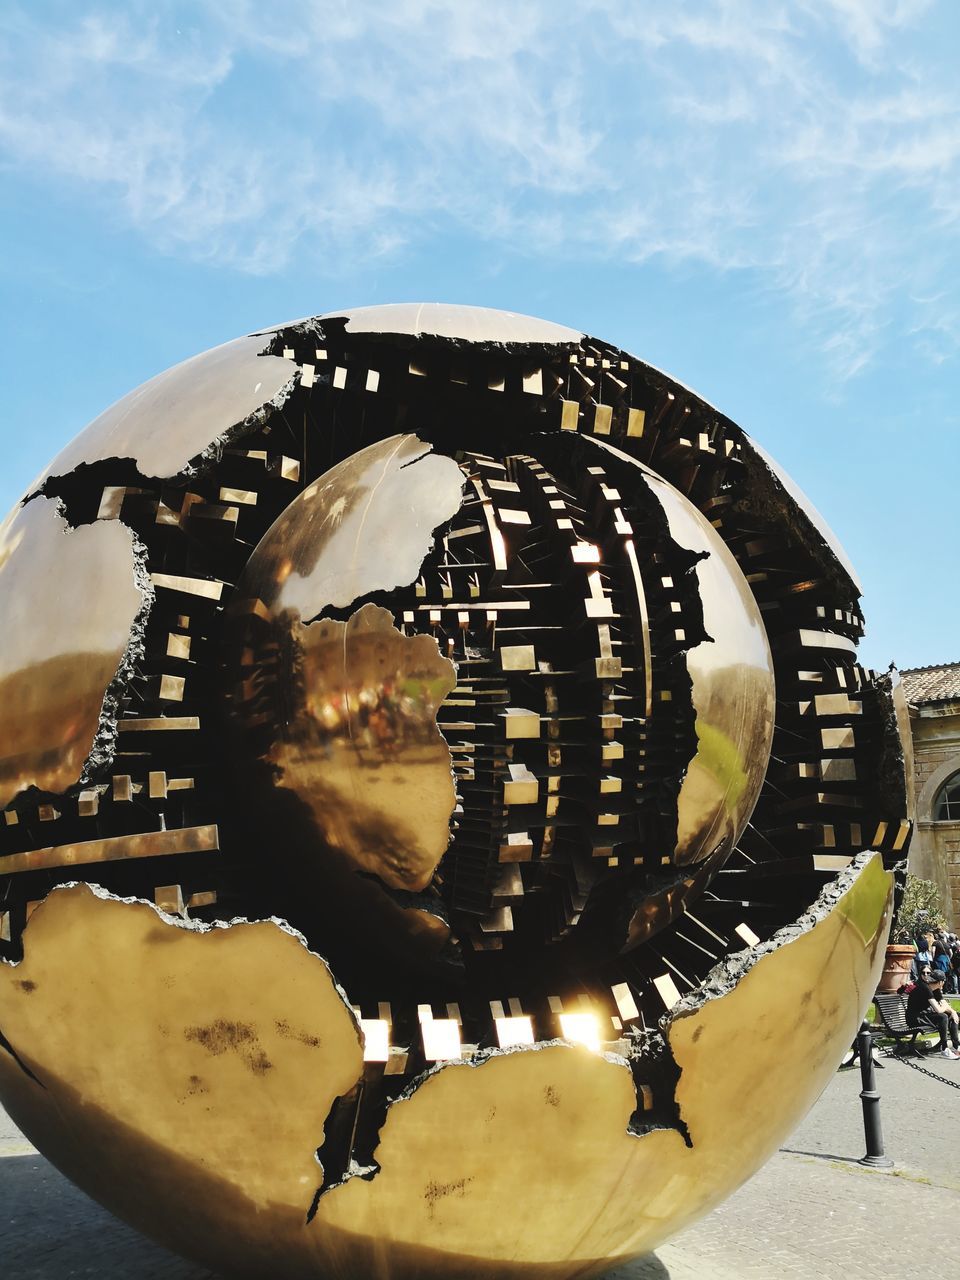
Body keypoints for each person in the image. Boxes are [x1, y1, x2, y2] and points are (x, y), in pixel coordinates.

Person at [906, 966, 960, 1058]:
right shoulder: (925, 988)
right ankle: (944, 1049)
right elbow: (938, 1009)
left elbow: (943, 1005)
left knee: (953, 1015)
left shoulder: (935, 989)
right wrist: (944, 1007)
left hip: (924, 1016)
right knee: (943, 1016)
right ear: (941, 982)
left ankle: (956, 1047)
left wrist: (953, 1012)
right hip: (915, 1019)